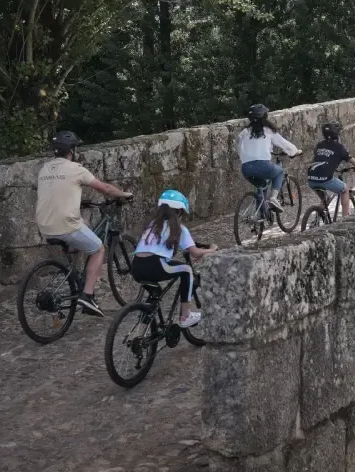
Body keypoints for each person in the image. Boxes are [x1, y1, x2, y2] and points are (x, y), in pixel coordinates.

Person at [35, 130, 132, 317]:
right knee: (98, 249)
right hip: (65, 226)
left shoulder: (44, 169)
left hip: (45, 226)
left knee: (83, 224)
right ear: (71, 150)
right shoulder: (76, 169)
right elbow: (104, 188)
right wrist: (123, 194)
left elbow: (57, 193)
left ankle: (75, 266)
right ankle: (87, 296)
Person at [131, 190, 218, 328]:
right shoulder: (179, 228)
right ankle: (186, 315)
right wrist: (212, 250)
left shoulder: (152, 224)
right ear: (179, 212)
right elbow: (195, 252)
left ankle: (145, 324)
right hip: (156, 264)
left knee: (155, 292)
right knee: (187, 270)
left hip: (136, 266)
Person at [237, 103, 302, 211]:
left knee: (261, 186)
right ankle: (273, 198)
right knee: (280, 172)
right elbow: (284, 144)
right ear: (265, 116)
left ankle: (260, 216)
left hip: (246, 168)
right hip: (262, 165)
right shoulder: (268, 131)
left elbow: (239, 150)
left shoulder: (244, 132)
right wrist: (295, 151)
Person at [307, 122, 355, 217]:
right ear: (337, 134)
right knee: (345, 190)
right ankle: (345, 219)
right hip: (325, 179)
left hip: (311, 179)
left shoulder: (319, 145)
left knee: (325, 198)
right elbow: (352, 161)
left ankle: (319, 214)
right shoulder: (339, 148)